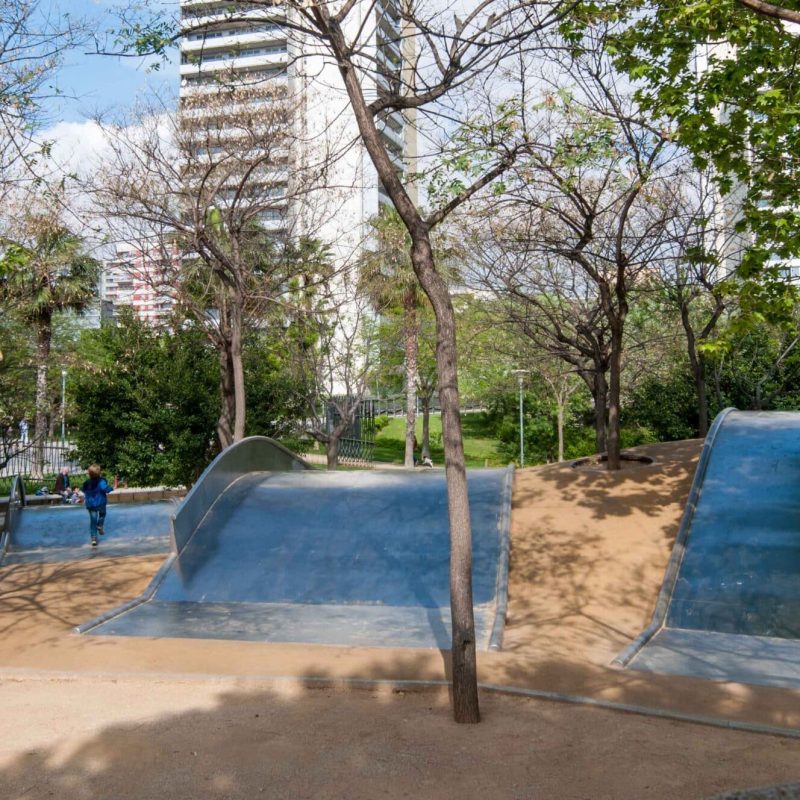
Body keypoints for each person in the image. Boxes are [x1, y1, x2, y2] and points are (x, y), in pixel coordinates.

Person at [82, 464, 113, 547]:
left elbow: (83, 490)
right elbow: (105, 489)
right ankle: (100, 525)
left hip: (90, 504)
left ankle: (94, 539)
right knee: (102, 514)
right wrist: (111, 488)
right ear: (99, 473)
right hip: (100, 503)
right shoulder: (101, 481)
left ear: (89, 473)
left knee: (93, 521)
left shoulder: (87, 482)